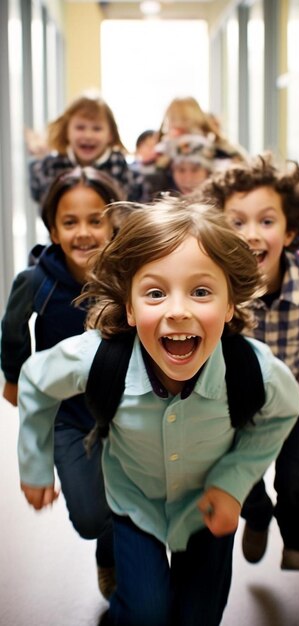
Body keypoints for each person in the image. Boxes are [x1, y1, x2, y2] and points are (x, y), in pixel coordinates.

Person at [16, 196, 299, 626]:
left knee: (199, 615)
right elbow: (37, 380)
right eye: (154, 293)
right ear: (130, 307)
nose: (178, 310)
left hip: (209, 510)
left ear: (229, 306)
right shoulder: (97, 358)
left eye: (201, 291)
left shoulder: (251, 370)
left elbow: (287, 410)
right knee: (146, 612)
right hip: (135, 506)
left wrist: (235, 479)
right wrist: (36, 463)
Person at [199, 153, 299, 570]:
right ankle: (258, 515)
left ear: (291, 230)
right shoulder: (214, 281)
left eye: (266, 221)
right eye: (236, 222)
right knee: (239, 474)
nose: (251, 235)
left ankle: (298, 536)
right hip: (241, 394)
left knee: (293, 476)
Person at [1, 166, 126, 600]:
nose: (84, 233)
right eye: (70, 222)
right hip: (67, 417)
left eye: (95, 220)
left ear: (113, 224)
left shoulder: (129, 278)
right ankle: (104, 544)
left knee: (126, 504)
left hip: (125, 412)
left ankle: (116, 558)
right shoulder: (37, 281)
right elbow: (13, 328)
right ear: (53, 229)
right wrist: (14, 376)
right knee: (91, 518)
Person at [28, 93, 143, 205]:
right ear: (66, 132)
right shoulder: (54, 163)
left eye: (97, 129)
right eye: (80, 127)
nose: (88, 135)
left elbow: (130, 202)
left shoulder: (118, 164)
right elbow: (42, 198)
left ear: (110, 135)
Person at [158, 96, 246, 163]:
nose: (177, 125)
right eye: (173, 120)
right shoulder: (164, 150)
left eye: (184, 120)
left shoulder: (219, 150)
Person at [144, 133, 216, 200]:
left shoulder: (222, 203)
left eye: (195, 170)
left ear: (207, 172)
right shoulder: (158, 200)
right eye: (181, 170)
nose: (188, 179)